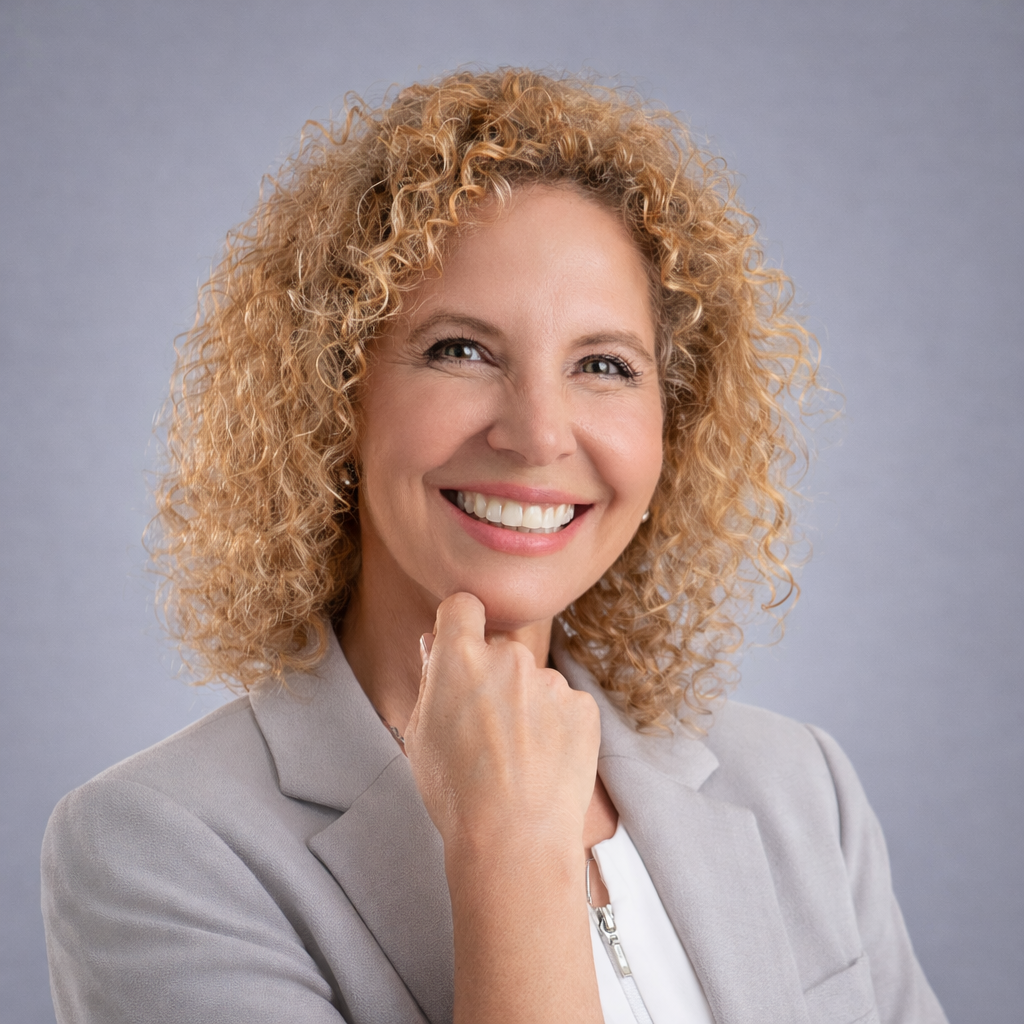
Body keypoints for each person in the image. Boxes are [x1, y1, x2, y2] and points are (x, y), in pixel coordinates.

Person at [41, 68, 948, 1024]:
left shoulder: (802, 790)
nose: (540, 434)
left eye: (605, 365)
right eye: (461, 351)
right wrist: (511, 849)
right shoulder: (157, 847)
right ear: (331, 395)